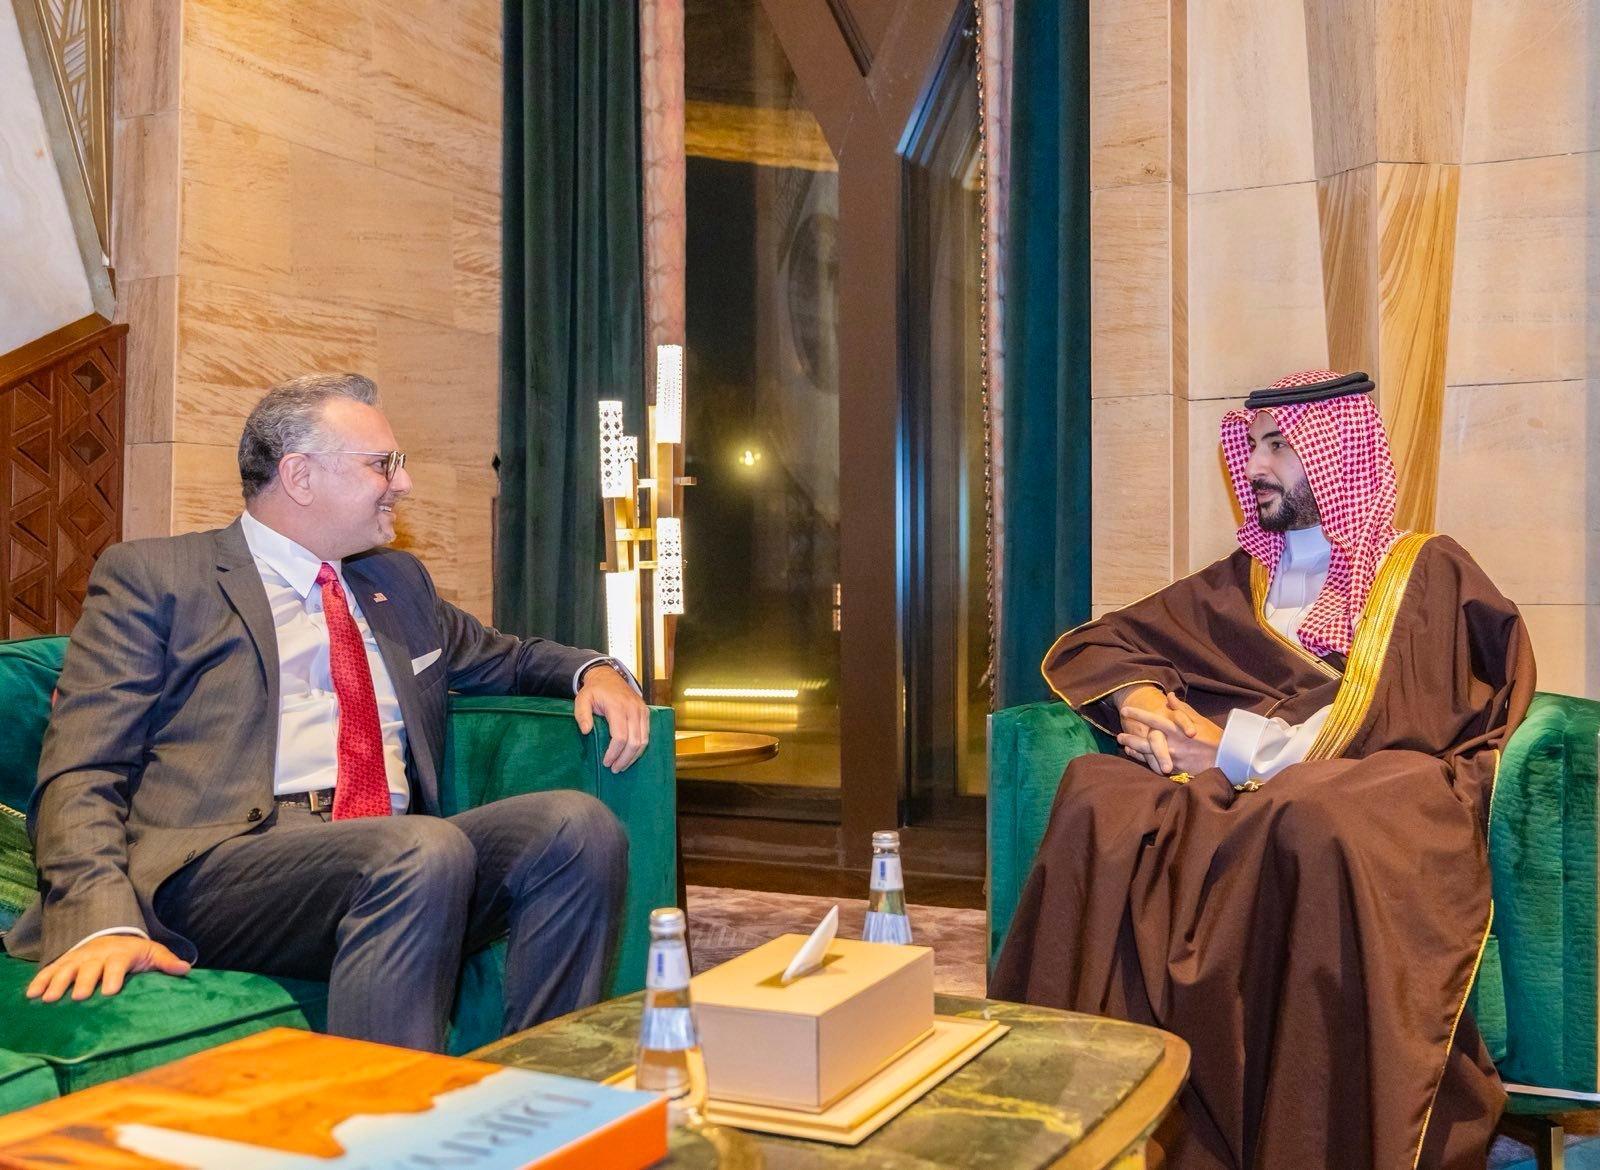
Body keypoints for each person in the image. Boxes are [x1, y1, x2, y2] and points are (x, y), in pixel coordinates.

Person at [2, 373, 653, 1053]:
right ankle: (387, 1116)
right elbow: (82, 767)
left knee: (575, 829)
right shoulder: (158, 576)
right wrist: (101, 918)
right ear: (300, 476)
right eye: (383, 464)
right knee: (418, 847)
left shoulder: (395, 583)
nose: (404, 484)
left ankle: (541, 1093)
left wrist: (594, 670)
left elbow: (510, 658)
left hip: (397, 864)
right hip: (217, 867)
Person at [990, 370, 1535, 1169]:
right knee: (1098, 794)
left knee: (1312, 815)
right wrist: (1146, 701)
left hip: (1374, 783)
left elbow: (1410, 717)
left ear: (1337, 453)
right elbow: (1101, 643)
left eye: (1278, 446)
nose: (1254, 467)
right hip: (1234, 793)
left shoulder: (1422, 572)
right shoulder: (1237, 583)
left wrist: (1229, 748)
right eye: (1250, 446)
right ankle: (1091, 1114)